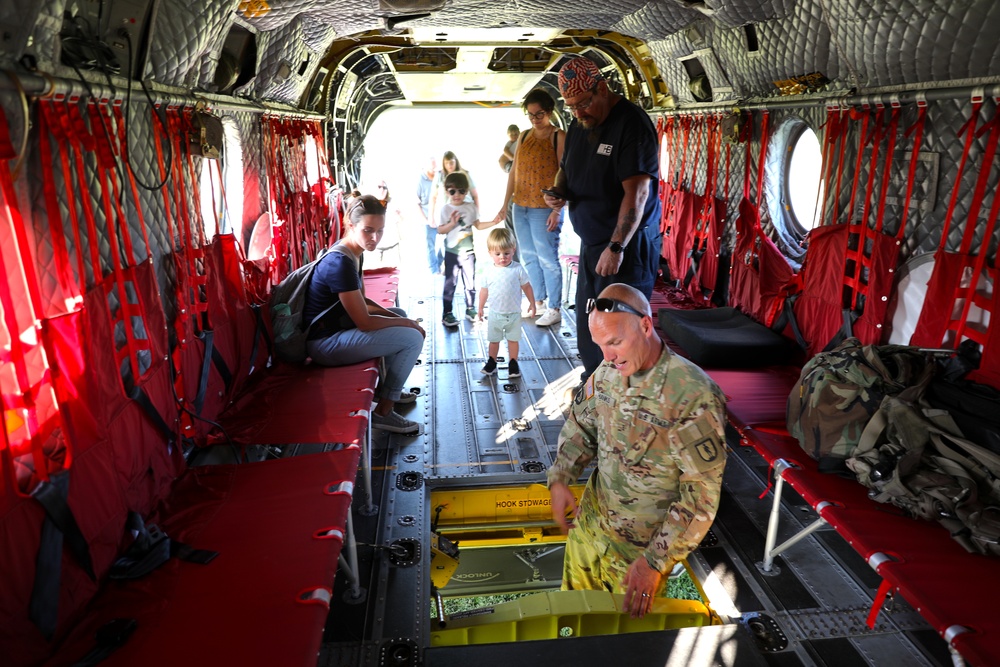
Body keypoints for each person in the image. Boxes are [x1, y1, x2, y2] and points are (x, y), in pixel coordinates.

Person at [547, 284, 726, 619]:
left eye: (614, 342)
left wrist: (655, 562)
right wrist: (561, 476)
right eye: (600, 345)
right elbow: (580, 426)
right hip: (589, 532)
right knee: (572, 622)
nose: (607, 356)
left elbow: (700, 494)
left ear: (645, 325)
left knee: (626, 643)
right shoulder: (607, 373)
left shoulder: (691, 394)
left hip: (637, 556)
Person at [543, 58, 662, 382]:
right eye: (571, 107)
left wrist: (616, 245)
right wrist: (558, 191)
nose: (578, 112)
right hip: (594, 245)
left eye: (584, 103)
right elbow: (567, 167)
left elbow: (637, 194)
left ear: (602, 88)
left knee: (621, 332)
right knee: (590, 324)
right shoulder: (580, 123)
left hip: (626, 247)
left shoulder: (631, 125)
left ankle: (625, 399)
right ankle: (596, 390)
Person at [304, 194, 426, 435]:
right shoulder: (340, 263)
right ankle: (384, 412)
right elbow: (364, 322)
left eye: (380, 231)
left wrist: (399, 318)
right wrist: (408, 324)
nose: (375, 238)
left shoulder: (352, 252)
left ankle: (386, 390)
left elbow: (363, 302)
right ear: (351, 225)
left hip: (338, 331)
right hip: (325, 344)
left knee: (398, 313)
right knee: (412, 338)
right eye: (368, 230)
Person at [495, 88, 566, 328]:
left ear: (550, 111)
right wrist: (505, 203)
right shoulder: (524, 137)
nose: (535, 119)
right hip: (521, 205)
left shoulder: (558, 136)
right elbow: (514, 171)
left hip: (543, 208)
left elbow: (565, 173)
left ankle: (555, 307)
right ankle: (540, 301)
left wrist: (558, 210)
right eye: (531, 114)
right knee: (528, 257)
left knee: (547, 257)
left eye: (540, 114)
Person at [437, 171, 494, 327]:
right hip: (452, 253)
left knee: (470, 283)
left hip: (468, 253)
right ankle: (447, 313)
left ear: (467, 191)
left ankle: (470, 308)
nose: (457, 194)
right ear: (446, 191)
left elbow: (478, 225)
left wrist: (494, 222)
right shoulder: (445, 209)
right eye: (452, 191)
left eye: (461, 191)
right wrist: (452, 223)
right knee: (450, 284)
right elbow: (440, 230)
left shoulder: (470, 207)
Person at [477, 228, 536, 378]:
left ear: (513, 250)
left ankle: (513, 363)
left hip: (514, 314)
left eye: (506, 253)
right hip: (495, 313)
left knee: (513, 340)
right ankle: (492, 362)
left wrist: (532, 303)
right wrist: (480, 307)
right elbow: (484, 290)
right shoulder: (489, 271)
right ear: (490, 252)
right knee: (494, 340)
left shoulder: (517, 269)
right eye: (497, 254)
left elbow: (527, 286)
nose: (502, 257)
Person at [429, 151, 480, 226]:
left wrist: (477, 214)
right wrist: (431, 217)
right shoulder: (439, 175)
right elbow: (433, 197)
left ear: (456, 162)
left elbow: (475, 196)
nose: (449, 165)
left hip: (464, 212)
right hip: (447, 213)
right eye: (446, 163)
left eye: (451, 162)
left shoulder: (465, 174)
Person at [417, 156, 442, 273]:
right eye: (432, 167)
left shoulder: (441, 177)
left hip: (441, 217)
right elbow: (416, 203)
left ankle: (439, 263)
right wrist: (426, 220)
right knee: (430, 246)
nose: (434, 169)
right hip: (427, 217)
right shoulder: (420, 179)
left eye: (435, 167)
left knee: (446, 244)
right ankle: (434, 270)